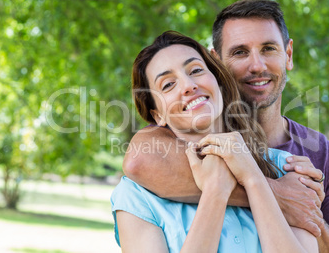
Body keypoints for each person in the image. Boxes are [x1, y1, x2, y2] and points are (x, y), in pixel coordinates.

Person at [122, 0, 329, 252]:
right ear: (217, 63)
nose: (257, 66)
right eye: (240, 52)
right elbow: (138, 162)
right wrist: (271, 192)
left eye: (269, 48)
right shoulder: (159, 147)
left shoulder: (304, 161)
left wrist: (309, 215)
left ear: (289, 55)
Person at [111, 30, 317, 252]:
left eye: (196, 70)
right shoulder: (136, 196)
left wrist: (253, 177)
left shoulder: (287, 170)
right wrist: (215, 190)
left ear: (218, 81)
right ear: (157, 115)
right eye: (168, 84)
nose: (188, 85)